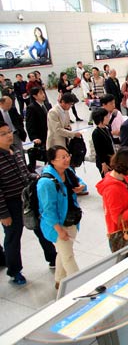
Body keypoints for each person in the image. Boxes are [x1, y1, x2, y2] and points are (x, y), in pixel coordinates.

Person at [0, 122, 56, 285]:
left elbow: (25, 173)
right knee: (13, 237)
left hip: (28, 199)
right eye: (3, 134)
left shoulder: (16, 151)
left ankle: (52, 257)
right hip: (11, 204)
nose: (9, 135)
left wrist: (38, 177)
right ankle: (14, 270)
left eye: (9, 132)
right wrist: (3, 214)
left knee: (40, 228)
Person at [38, 145, 86, 288]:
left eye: (67, 155)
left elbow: (80, 181)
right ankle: (80, 286)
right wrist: (59, 230)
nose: (67, 159)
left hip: (72, 219)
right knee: (68, 256)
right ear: (53, 160)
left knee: (64, 251)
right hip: (58, 225)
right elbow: (48, 211)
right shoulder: (46, 182)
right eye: (62, 157)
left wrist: (81, 187)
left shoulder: (68, 171)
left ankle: (59, 279)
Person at [96, 147, 128, 252]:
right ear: (127, 165)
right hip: (123, 235)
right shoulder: (112, 189)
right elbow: (118, 219)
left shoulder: (123, 178)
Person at [25, 87, 49, 171]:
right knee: (41, 158)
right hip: (40, 137)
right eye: (41, 93)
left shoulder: (46, 105)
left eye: (43, 93)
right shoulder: (32, 107)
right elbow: (29, 124)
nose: (43, 95)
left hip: (49, 135)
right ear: (35, 96)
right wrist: (34, 137)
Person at [91, 108, 115, 178]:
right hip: (104, 162)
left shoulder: (106, 128)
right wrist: (103, 164)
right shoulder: (96, 133)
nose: (108, 118)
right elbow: (98, 150)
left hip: (111, 159)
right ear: (100, 118)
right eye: (106, 117)